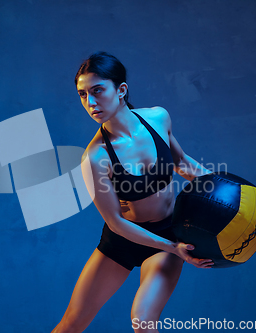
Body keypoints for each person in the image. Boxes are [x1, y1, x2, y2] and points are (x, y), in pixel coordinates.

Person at [52, 52, 213, 333]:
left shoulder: (158, 119)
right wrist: (174, 248)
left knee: (143, 321)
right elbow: (116, 222)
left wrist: (230, 187)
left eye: (97, 90)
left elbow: (183, 164)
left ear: (121, 90)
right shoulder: (95, 158)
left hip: (168, 233)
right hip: (123, 241)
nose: (90, 102)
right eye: (82, 94)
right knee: (71, 324)